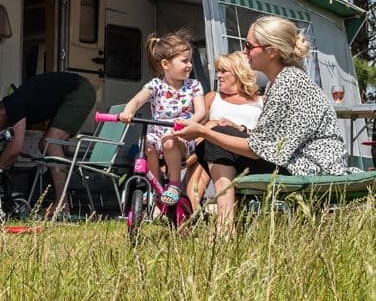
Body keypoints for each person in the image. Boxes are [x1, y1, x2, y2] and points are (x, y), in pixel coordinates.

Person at [176, 15, 352, 227]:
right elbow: (274, 139)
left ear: (271, 52)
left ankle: (225, 226)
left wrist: (204, 132)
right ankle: (227, 223)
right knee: (218, 137)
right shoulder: (281, 81)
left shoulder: (288, 83)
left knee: (214, 141)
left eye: (249, 46)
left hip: (310, 168)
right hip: (302, 162)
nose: (244, 51)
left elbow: (261, 150)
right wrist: (236, 129)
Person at [119, 30, 206, 207]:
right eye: (184, 61)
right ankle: (155, 185)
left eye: (190, 60)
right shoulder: (155, 85)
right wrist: (128, 112)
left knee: (168, 140)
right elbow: (136, 100)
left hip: (181, 135)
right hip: (156, 134)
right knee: (147, 147)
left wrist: (189, 122)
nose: (189, 65)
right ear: (166, 64)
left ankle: (174, 185)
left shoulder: (193, 86)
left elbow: (201, 112)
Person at [0, 71, 96, 215]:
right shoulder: (14, 102)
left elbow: (15, 148)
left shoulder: (12, 104)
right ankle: (60, 201)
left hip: (79, 91)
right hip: (74, 91)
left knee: (51, 143)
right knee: (45, 144)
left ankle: (62, 205)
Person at [184, 51, 263, 210]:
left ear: (239, 73)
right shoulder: (213, 97)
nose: (218, 75)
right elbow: (195, 128)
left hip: (246, 155)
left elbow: (265, 137)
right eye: (218, 71)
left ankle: (190, 213)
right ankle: (192, 212)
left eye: (223, 71)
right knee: (211, 143)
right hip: (211, 155)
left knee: (214, 135)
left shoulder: (262, 101)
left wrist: (237, 127)